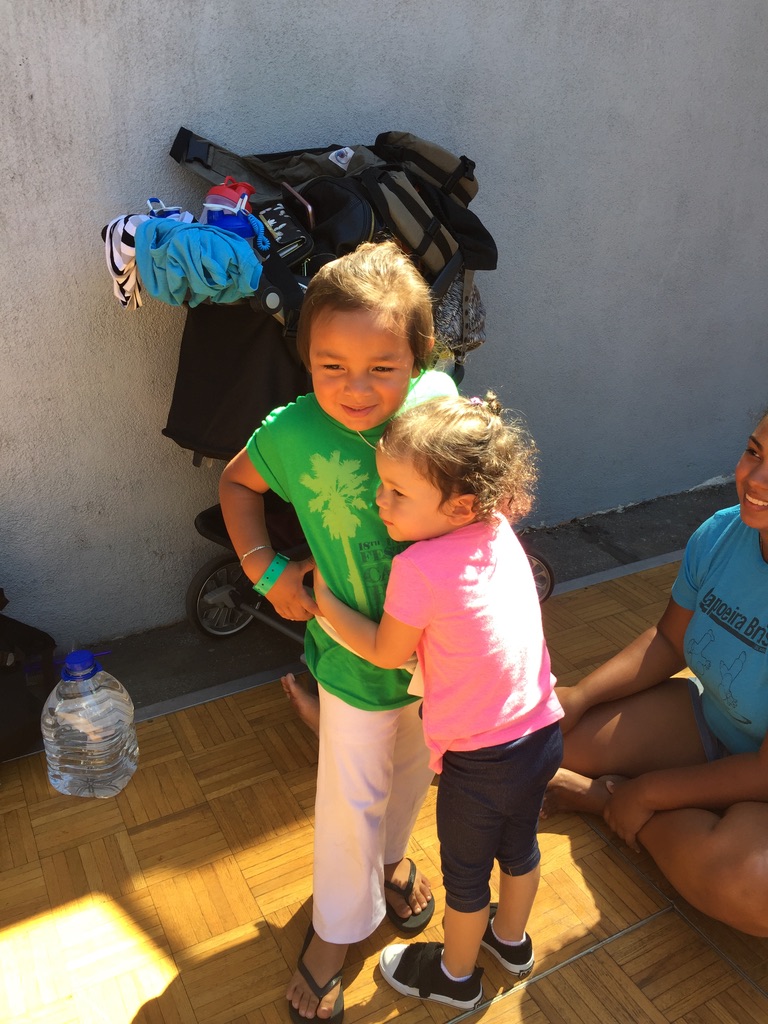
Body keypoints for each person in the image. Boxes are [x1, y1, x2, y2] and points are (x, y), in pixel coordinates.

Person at [219, 241, 458, 1023]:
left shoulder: (437, 407)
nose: (356, 389)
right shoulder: (291, 433)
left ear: (419, 358)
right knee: (349, 796)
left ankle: (390, 863)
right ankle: (335, 931)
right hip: (353, 655)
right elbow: (236, 482)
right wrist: (266, 570)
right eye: (333, 367)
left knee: (413, 771)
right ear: (307, 360)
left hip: (436, 655)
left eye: (382, 367)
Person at [312, 393, 563, 1010]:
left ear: (461, 505)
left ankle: (455, 977)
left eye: (398, 492)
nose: (379, 502)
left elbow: (386, 650)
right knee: (521, 847)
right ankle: (512, 942)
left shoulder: (419, 566)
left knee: (467, 878)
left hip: (480, 761)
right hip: (542, 733)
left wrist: (326, 603)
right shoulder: (499, 530)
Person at [545, 407, 768, 938]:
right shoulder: (722, 533)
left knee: (750, 884)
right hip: (714, 725)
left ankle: (607, 799)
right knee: (550, 744)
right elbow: (670, 639)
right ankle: (639, 801)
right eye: (754, 452)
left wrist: (646, 793)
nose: (755, 479)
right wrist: (579, 696)